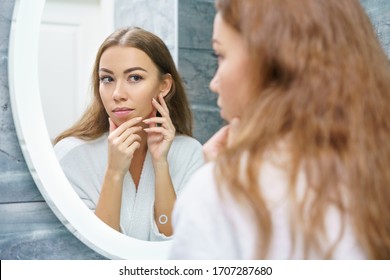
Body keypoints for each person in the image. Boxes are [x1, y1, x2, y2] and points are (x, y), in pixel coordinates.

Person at [169, 0, 390, 259]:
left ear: (272, 65)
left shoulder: (215, 197)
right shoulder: (376, 172)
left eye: (220, 55)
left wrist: (225, 183)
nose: (214, 83)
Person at [54, 27, 204, 241]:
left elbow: (177, 244)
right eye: (107, 79)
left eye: (134, 77)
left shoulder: (189, 153)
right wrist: (114, 172)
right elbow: (92, 251)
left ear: (163, 85)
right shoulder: (71, 155)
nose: (117, 94)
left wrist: (161, 164)